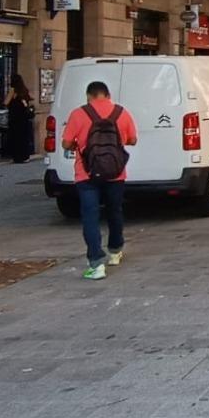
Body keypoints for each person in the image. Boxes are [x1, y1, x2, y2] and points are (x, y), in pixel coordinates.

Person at [60, 80, 138, 281]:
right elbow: (133, 140)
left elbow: (66, 143)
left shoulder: (78, 114)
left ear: (89, 96)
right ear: (108, 95)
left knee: (90, 217)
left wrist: (78, 144)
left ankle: (96, 264)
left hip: (86, 174)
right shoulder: (121, 113)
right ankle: (115, 250)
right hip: (115, 173)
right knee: (114, 211)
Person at [3, 74, 36, 164]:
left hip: (15, 118)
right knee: (24, 137)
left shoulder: (13, 90)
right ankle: (25, 156)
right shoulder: (24, 90)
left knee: (16, 138)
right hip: (24, 118)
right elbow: (31, 98)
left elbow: (6, 102)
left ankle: (18, 157)